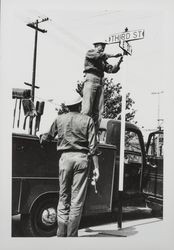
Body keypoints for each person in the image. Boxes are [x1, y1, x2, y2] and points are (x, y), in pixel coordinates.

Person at [40, 93, 99, 237]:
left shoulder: (59, 119)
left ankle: (61, 235)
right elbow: (93, 147)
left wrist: (40, 136)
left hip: (65, 159)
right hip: (82, 159)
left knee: (63, 197)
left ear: (66, 106)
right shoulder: (88, 120)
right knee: (77, 200)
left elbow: (46, 139)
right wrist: (97, 168)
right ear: (79, 105)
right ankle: (72, 236)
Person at [81, 40, 123, 135]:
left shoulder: (102, 59)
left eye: (104, 45)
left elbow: (111, 69)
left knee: (98, 112)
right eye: (102, 45)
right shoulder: (91, 52)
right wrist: (113, 55)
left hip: (100, 81)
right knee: (87, 109)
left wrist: (119, 62)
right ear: (96, 45)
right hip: (91, 79)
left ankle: (93, 135)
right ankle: (82, 133)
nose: (103, 47)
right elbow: (100, 55)